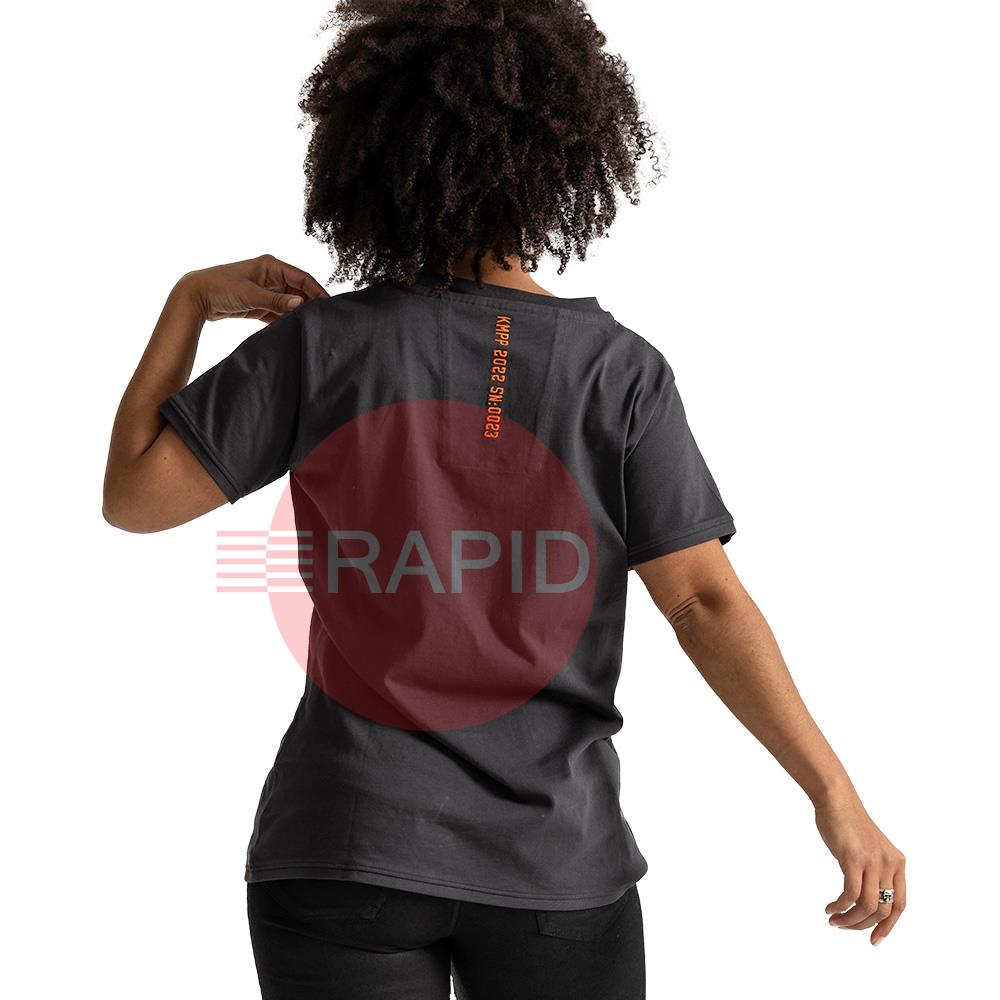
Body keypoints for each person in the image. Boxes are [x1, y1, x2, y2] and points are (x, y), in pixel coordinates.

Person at [101, 2, 906, 998]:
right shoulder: (618, 374)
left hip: (344, 846)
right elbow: (703, 600)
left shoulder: (322, 346)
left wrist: (189, 302)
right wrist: (834, 796)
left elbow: (134, 497)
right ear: (563, 158)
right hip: (553, 867)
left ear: (376, 157)